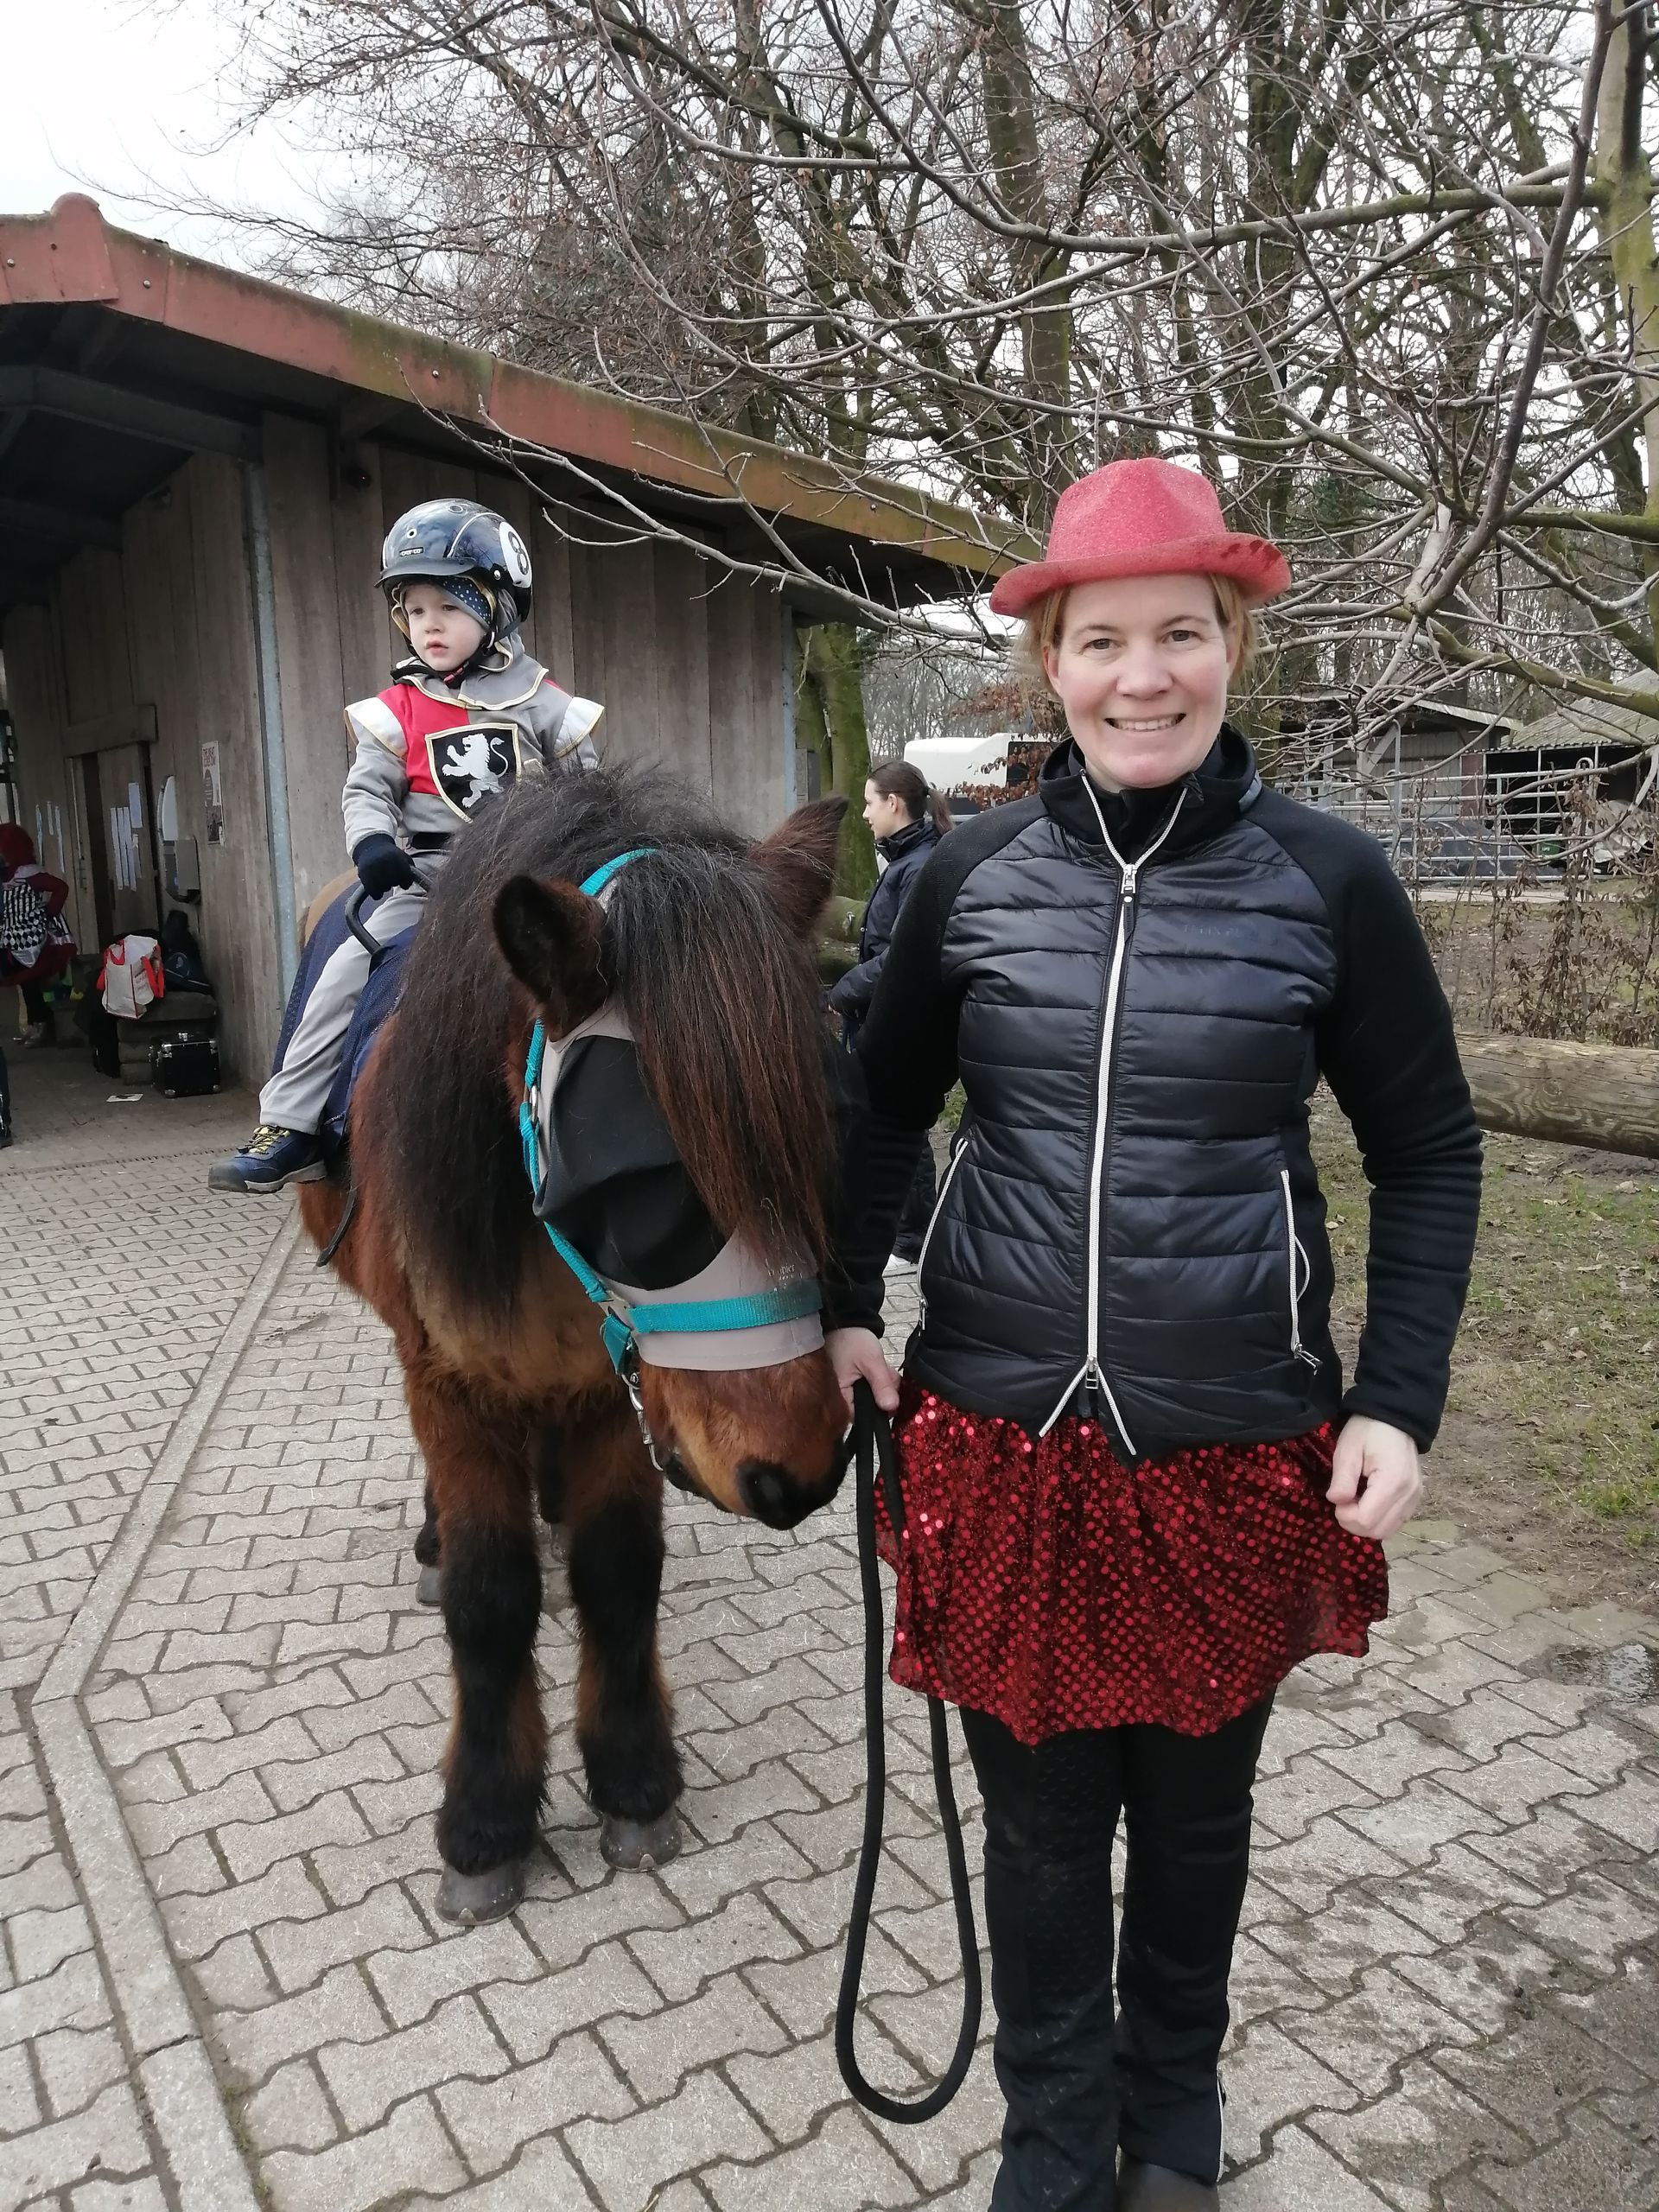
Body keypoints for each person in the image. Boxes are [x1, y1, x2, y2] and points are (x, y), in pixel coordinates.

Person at [826, 457, 1482, 2211]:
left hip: (1230, 1441)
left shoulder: (1329, 880)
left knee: (1194, 1823)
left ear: (1232, 646)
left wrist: (1397, 1397)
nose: (1142, 677)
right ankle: (1054, 2137)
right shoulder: (963, 879)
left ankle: (1173, 2106)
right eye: (1101, 640)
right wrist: (844, 1302)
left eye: (1180, 634)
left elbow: (1429, 1149)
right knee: (1041, 1835)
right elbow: (881, 1107)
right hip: (1000, 1438)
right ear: (1047, 663)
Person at [210, 498, 603, 1192]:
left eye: (448, 607)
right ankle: (291, 1125)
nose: (429, 626)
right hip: (429, 882)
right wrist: (371, 842)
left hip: (534, 884)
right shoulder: (397, 710)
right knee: (343, 974)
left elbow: (592, 796)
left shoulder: (549, 706)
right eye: (415, 610)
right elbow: (367, 790)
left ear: (497, 609)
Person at [827, 762, 952, 1266]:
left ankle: (913, 1240)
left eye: (869, 802)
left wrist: (842, 993)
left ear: (894, 803)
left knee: (903, 1129)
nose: (864, 814)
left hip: (903, 1020)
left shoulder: (918, 866)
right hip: (881, 1013)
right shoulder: (904, 861)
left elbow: (901, 956)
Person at [1, 825, 75, 1046]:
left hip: (31, 938)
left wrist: (49, 913)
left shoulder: (28, 872)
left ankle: (42, 1024)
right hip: (12, 937)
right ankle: (35, 1024)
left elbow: (60, 887)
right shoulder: (7, 873)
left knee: (30, 980)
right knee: (24, 982)